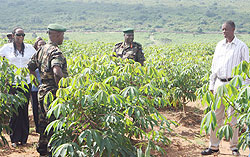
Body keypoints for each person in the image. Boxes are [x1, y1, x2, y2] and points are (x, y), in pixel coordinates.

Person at [201, 21, 249, 156]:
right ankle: (214, 146)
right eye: (222, 30)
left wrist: (244, 90)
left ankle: (234, 147)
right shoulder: (219, 45)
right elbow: (214, 67)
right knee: (216, 116)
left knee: (234, 118)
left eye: (226, 29)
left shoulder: (241, 47)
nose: (224, 32)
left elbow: (246, 70)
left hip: (234, 85)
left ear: (233, 29)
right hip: (219, 84)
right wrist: (211, 85)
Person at [28, 23, 68, 156]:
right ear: (57, 34)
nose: (63, 37)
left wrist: (37, 81)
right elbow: (57, 72)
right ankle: (53, 150)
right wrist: (63, 89)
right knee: (54, 122)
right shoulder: (55, 52)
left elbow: (31, 66)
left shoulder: (41, 50)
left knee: (44, 122)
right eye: (62, 35)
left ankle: (43, 148)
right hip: (53, 92)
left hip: (42, 90)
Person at [0, 27, 36, 147]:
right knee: (14, 110)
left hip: (26, 83)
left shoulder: (30, 48)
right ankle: (14, 138)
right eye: (18, 35)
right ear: (13, 35)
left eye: (22, 35)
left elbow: (37, 60)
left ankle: (24, 138)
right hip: (12, 83)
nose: (20, 37)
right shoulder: (6, 48)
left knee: (24, 109)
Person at [31, 37, 46, 133]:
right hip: (35, 88)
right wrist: (37, 84)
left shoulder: (48, 57)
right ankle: (37, 128)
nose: (41, 46)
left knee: (44, 109)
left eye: (43, 44)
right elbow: (30, 70)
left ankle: (43, 129)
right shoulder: (34, 58)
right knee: (36, 109)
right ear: (36, 47)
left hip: (46, 89)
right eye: (39, 45)